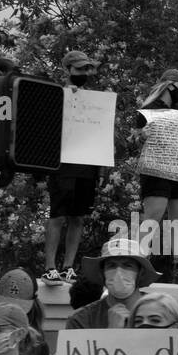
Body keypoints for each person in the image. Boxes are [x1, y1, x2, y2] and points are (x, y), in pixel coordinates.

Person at [135, 69, 178, 289]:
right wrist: (141, 135)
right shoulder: (149, 108)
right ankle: (138, 265)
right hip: (156, 169)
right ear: (169, 85)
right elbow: (136, 137)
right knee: (153, 216)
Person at [43, 50, 102, 287]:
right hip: (62, 163)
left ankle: (68, 267)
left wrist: (100, 169)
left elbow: (99, 134)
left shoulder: (96, 102)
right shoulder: (57, 95)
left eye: (87, 68)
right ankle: (50, 268)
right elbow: (46, 130)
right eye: (79, 69)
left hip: (87, 164)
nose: (84, 73)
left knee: (78, 217)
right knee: (57, 215)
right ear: (68, 69)